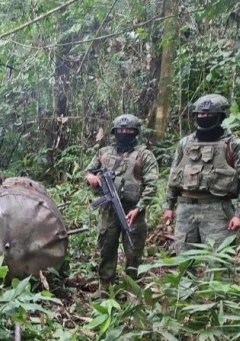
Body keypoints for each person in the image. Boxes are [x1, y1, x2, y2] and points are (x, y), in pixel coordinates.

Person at [85, 114, 158, 295]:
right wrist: (91, 177)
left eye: (128, 130)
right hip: (108, 209)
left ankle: (132, 289)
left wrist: (138, 208)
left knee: (133, 251)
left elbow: (152, 185)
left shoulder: (144, 155)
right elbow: (88, 171)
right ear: (114, 132)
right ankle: (105, 286)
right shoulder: (104, 153)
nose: (124, 133)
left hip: (133, 211)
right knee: (106, 247)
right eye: (120, 130)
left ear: (136, 132)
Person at [163, 94, 240, 253]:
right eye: (201, 114)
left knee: (217, 261)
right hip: (185, 208)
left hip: (218, 209)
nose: (204, 117)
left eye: (210, 114)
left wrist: (238, 215)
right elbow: (174, 176)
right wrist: (169, 206)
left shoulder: (233, 144)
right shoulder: (185, 143)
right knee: (183, 258)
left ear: (220, 116)